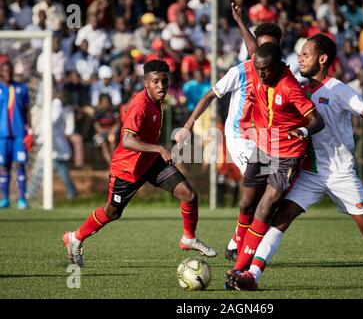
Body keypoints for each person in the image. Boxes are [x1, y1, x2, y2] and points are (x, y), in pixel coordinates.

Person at [226, 34, 363, 290]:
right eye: (299, 54)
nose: (300, 58)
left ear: (322, 59)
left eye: (305, 54)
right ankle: (252, 275)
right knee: (280, 219)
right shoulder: (295, 87)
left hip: (340, 174)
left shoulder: (339, 89)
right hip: (310, 173)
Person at [62, 60, 216, 267]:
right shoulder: (140, 105)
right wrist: (159, 148)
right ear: (146, 83)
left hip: (150, 162)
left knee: (188, 195)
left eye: (164, 81)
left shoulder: (157, 102)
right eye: (155, 82)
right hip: (127, 168)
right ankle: (75, 237)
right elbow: (126, 140)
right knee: (112, 212)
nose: (161, 86)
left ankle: (188, 238)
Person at [174, 17, 283, 261]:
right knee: (264, 192)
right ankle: (245, 252)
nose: (264, 52)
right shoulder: (241, 71)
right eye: (261, 46)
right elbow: (208, 96)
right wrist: (188, 125)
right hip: (241, 138)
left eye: (271, 48)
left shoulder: (281, 73)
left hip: (269, 139)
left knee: (270, 198)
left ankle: (237, 242)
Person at [224, 42, 324, 281]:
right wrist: (239, 21)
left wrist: (302, 131)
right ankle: (240, 247)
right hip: (262, 147)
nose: (260, 74)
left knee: (265, 207)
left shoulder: (289, 87)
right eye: (257, 69)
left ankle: (240, 269)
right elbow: (254, 48)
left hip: (287, 155)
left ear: (279, 66)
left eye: (265, 69)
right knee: (246, 204)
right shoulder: (261, 68)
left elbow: (317, 121)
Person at [0, 61, 31, 209]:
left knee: (20, 164)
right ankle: (5, 199)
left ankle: (22, 199)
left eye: (10, 70)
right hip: (2, 134)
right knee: (3, 166)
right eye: (5, 70)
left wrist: (30, 129)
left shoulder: (21, 88)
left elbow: (26, 110)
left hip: (19, 133)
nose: (8, 73)